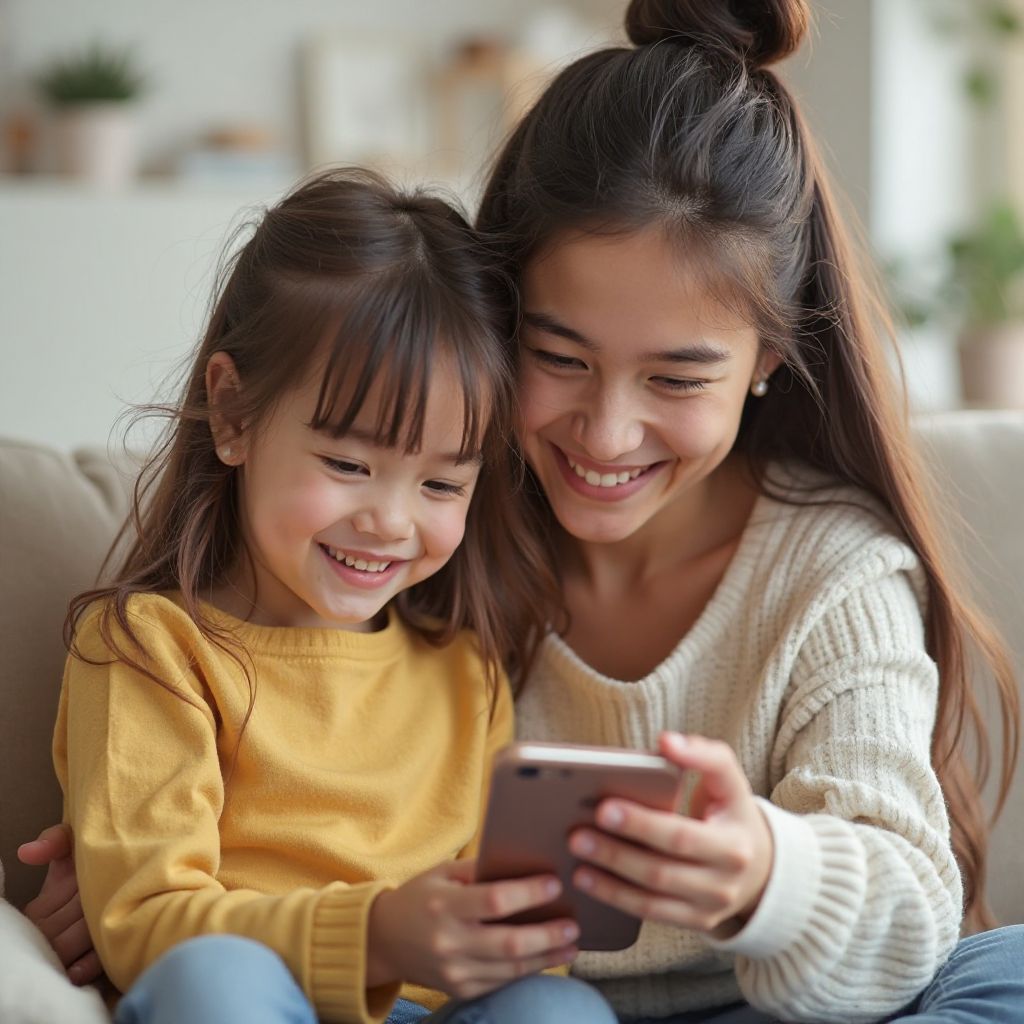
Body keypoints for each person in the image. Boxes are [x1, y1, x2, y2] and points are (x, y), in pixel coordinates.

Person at [22, 1, 1024, 1021]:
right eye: (559, 357)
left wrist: (768, 872)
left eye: (676, 378)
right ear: (498, 330)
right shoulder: (434, 543)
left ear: (766, 357)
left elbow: (913, 910)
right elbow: (215, 853)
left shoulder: (826, 573)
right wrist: (137, 888)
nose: (607, 434)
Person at [25, 168, 617, 1024]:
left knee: (557, 1008)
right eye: (348, 464)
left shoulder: (466, 672)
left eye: (442, 484)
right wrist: (377, 935)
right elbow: (142, 922)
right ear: (233, 413)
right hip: (246, 997)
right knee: (215, 981)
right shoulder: (151, 650)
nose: (390, 521)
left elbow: (499, 928)